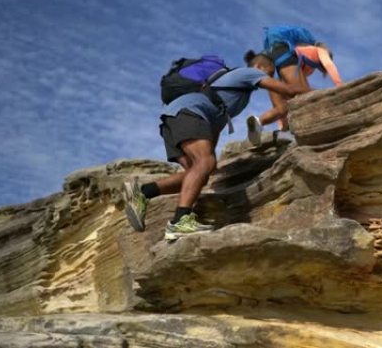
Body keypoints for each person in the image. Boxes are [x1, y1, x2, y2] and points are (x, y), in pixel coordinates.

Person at [123, 51, 306, 240]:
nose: (268, 80)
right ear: (259, 67)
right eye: (269, 73)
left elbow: (215, 123)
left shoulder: (235, 93)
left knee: (199, 171)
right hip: (189, 113)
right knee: (204, 163)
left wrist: (210, 159)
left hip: (175, 118)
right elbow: (290, 91)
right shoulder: (248, 73)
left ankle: (143, 192)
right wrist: (316, 93)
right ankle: (180, 221)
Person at [246, 26, 343, 146]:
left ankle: (264, 124)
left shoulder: (296, 47)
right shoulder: (319, 50)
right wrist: (341, 88)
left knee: (281, 107)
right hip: (281, 52)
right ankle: (288, 131)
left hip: (266, 59)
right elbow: (329, 66)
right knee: (304, 94)